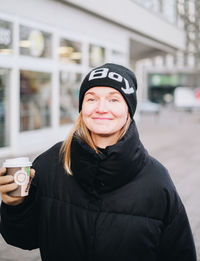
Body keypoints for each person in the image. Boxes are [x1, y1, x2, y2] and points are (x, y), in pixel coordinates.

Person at [0, 63, 197, 261]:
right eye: (91, 98)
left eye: (113, 99)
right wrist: (16, 206)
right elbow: (22, 239)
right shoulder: (51, 162)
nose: (101, 108)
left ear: (128, 109)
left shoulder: (156, 182)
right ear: (82, 107)